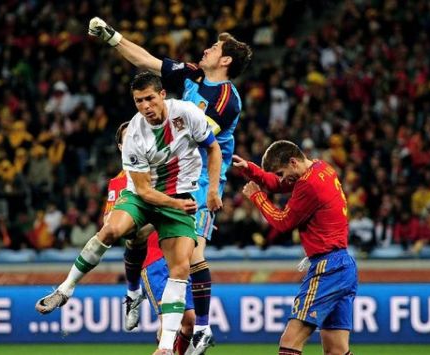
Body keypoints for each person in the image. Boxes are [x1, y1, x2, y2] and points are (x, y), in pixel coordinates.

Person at [88, 17, 252, 352]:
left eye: (215, 48)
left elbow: (197, 138)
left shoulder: (225, 99)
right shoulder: (192, 74)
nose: (206, 49)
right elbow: (146, 61)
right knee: (132, 230)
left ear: (226, 61)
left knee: (193, 254)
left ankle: (202, 328)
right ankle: (134, 293)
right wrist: (112, 37)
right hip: (172, 175)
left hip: (201, 180)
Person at [36, 72, 222, 355]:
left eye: (149, 98)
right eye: (138, 101)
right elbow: (145, 192)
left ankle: (165, 347)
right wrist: (175, 206)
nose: (145, 106)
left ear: (162, 95)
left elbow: (213, 147)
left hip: (180, 194)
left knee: (181, 268)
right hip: (147, 197)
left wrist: (211, 192)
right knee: (111, 229)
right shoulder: (134, 133)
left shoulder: (187, 114)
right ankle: (66, 288)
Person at [232, 140, 357, 355]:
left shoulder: (309, 185)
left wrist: (257, 196)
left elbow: (283, 222)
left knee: (290, 340)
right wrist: (250, 170)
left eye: (281, 172)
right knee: (336, 349)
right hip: (344, 265)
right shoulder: (321, 168)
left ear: (292, 161)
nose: (282, 179)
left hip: (327, 267)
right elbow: (278, 184)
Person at [107, 121, 197, 353]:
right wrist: (160, 216)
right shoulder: (118, 183)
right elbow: (113, 226)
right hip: (154, 260)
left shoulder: (162, 171)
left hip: (179, 256)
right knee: (170, 324)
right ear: (120, 147)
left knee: (189, 323)